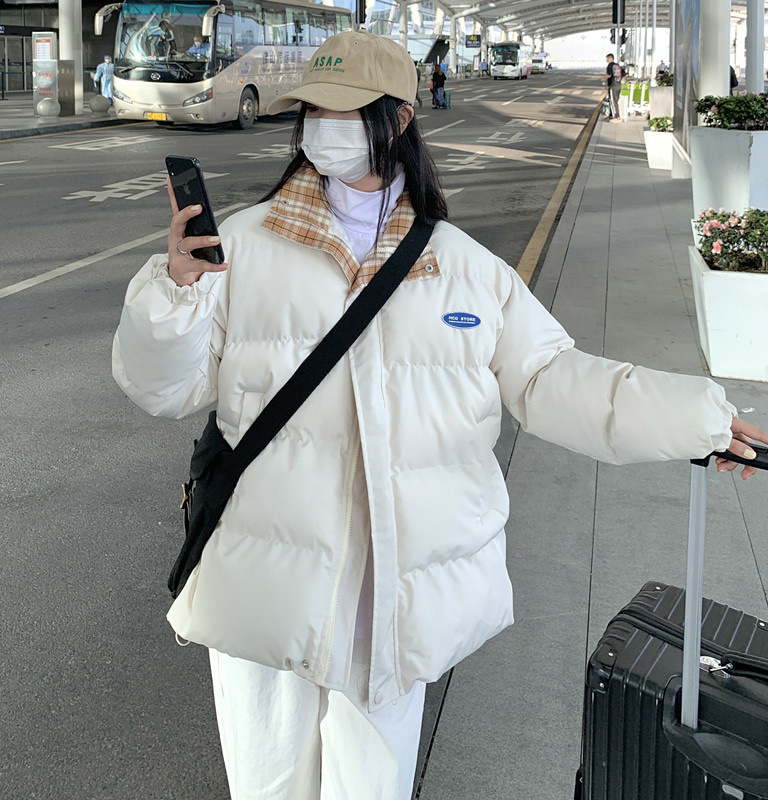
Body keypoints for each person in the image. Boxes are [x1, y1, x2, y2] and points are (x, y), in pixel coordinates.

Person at [112, 30, 768, 800]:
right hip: (266, 582)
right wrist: (176, 293)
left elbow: (553, 379)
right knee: (268, 786)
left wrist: (696, 417)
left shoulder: (464, 270)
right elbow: (163, 390)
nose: (324, 126)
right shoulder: (242, 248)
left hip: (393, 602)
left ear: (397, 118)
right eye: (314, 109)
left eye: (346, 109)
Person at [604, 52, 623, 122]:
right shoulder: (617, 65)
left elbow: (609, 75)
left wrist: (603, 78)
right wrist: (618, 80)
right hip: (618, 84)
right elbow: (623, 74)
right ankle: (611, 115)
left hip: (613, 85)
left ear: (610, 58)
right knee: (614, 101)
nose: (606, 60)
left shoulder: (610, 66)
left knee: (613, 101)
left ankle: (616, 117)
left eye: (607, 58)